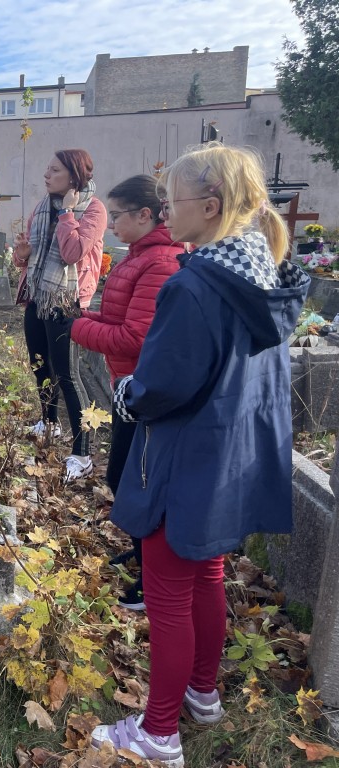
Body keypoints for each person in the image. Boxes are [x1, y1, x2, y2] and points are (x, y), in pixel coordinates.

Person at [89, 143, 309, 766]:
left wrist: (128, 389)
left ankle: (159, 733)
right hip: (236, 457)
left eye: (174, 201)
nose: (165, 210)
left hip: (185, 461)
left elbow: (162, 385)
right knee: (206, 574)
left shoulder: (196, 286)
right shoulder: (263, 278)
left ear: (209, 207)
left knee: (166, 594)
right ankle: (202, 693)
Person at [52, 174, 183, 610]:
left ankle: (153, 580)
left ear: (146, 215)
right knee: (121, 477)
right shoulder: (138, 257)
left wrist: (77, 327)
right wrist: (86, 315)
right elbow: (121, 317)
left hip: (146, 393)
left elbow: (135, 339)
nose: (112, 225)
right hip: (128, 388)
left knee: (134, 481)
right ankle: (143, 554)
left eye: (120, 215)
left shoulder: (160, 262)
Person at [12, 149, 107, 480]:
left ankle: (82, 453)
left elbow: (72, 252)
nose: (46, 175)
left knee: (69, 375)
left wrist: (68, 212)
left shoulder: (93, 210)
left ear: (74, 176)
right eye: (47, 169)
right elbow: (27, 260)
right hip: (38, 296)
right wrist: (21, 256)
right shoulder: (41, 208)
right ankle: (49, 423)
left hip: (67, 301)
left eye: (54, 170)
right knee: (40, 366)